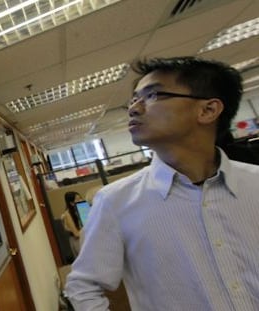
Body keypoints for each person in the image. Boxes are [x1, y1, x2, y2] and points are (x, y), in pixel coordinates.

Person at [65, 56, 259, 310]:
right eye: (133, 99)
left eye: (153, 95)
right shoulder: (115, 201)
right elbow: (83, 287)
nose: (134, 108)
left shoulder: (254, 183)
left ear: (208, 110)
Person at [61, 191, 83, 257]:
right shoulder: (67, 214)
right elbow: (76, 234)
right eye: (78, 199)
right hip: (77, 240)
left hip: (84, 237)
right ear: (71, 203)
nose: (81, 200)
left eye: (80, 198)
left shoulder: (81, 209)